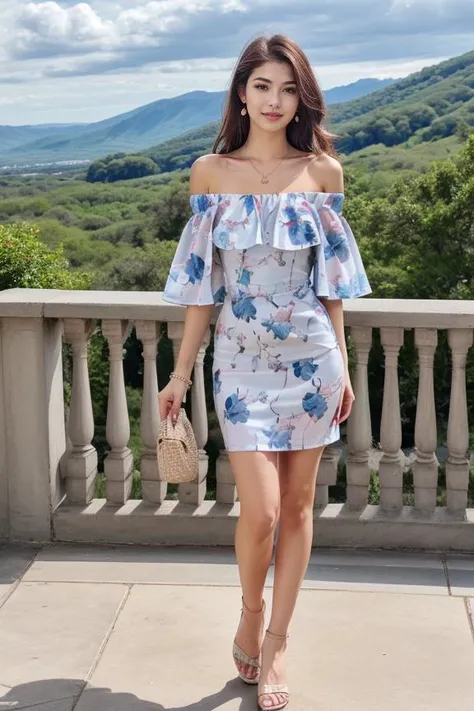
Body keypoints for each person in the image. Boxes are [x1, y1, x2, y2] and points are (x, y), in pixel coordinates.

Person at [158, 34, 372, 711]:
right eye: (262, 87)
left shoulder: (324, 174)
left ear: (300, 97)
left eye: (288, 88)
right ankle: (251, 610)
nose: (275, 101)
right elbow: (201, 288)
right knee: (262, 514)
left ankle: (276, 641)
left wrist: (341, 367)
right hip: (240, 365)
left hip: (311, 361)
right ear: (242, 93)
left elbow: (333, 287)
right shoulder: (210, 172)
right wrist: (179, 370)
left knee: (301, 507)